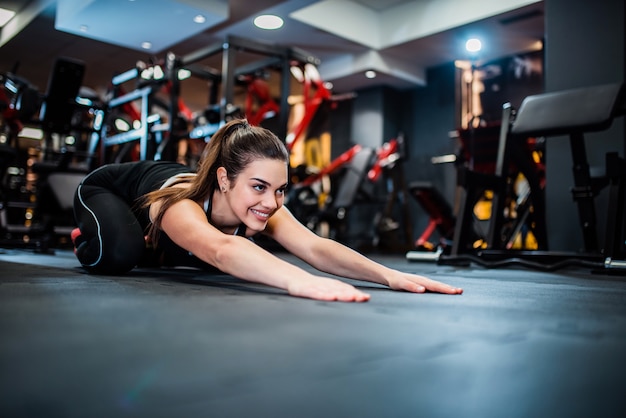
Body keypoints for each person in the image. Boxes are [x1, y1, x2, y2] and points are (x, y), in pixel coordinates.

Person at [72, 119, 463, 302]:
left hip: (164, 227)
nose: (271, 203)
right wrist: (298, 282)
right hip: (106, 192)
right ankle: (87, 238)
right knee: (122, 252)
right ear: (224, 180)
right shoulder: (180, 203)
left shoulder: (265, 204)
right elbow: (223, 250)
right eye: (258, 187)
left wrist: (388, 275)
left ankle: (153, 245)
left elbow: (315, 248)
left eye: (279, 190)